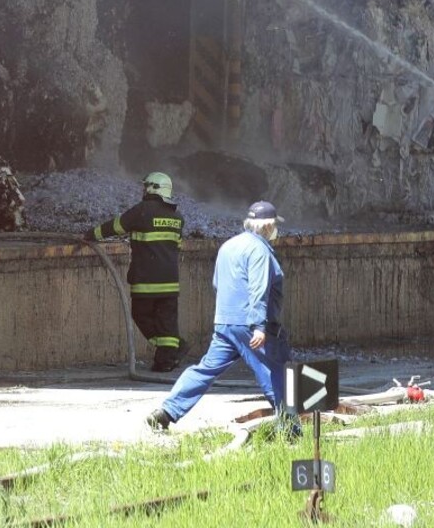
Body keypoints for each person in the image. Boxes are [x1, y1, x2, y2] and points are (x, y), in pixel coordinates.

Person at [146, 200, 298, 434]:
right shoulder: (259, 251)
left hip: (225, 323)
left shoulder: (229, 245)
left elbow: (218, 283)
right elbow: (259, 289)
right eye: (275, 225)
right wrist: (259, 325)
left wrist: (229, 315)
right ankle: (291, 429)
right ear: (268, 226)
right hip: (251, 325)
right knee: (275, 371)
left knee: (205, 369)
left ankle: (167, 411)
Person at [83, 172, 186, 372]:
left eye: (146, 186)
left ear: (153, 188)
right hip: (170, 281)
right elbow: (177, 246)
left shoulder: (142, 211)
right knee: (167, 322)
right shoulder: (177, 217)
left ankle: (173, 350)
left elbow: (115, 226)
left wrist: (90, 235)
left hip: (147, 280)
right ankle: (166, 358)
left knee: (141, 315)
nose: (143, 190)